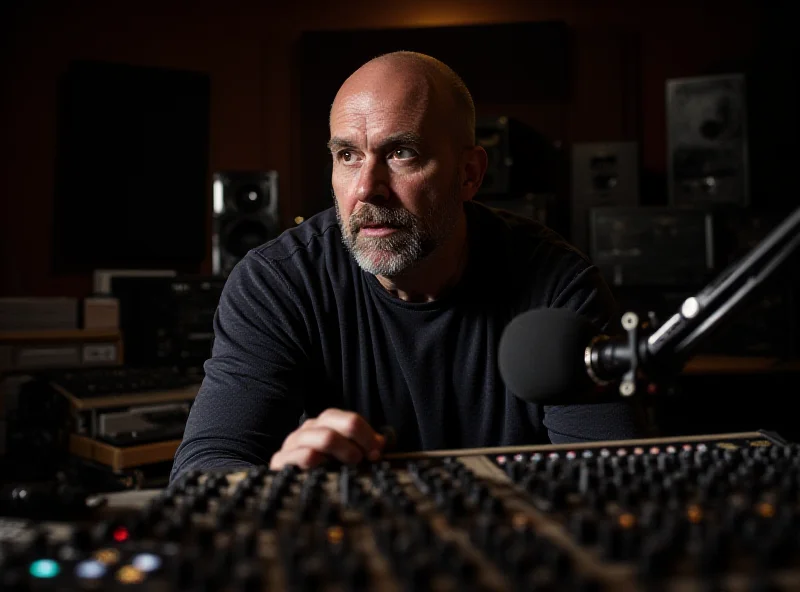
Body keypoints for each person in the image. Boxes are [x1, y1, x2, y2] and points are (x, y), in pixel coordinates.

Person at [170, 51, 643, 480]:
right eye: (348, 155)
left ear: (469, 174)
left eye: (401, 153)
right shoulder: (278, 283)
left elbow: (610, 483)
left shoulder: (559, 286)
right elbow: (201, 473)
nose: (366, 188)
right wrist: (277, 484)